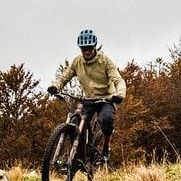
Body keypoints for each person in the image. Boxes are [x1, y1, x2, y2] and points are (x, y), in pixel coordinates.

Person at [47, 29, 126, 162]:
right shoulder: (77, 62)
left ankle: (107, 144)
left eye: (89, 48)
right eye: (84, 49)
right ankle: (80, 157)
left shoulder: (105, 61)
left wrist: (120, 94)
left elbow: (118, 80)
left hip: (106, 98)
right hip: (88, 99)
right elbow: (65, 76)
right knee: (74, 124)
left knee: (106, 120)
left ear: (94, 47)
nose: (87, 52)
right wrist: (56, 86)